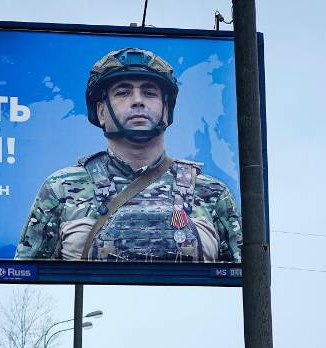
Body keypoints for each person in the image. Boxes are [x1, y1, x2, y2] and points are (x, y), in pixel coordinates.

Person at [15, 47, 241, 263]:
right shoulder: (60, 188)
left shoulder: (213, 193)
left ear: (166, 109)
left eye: (149, 92)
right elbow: (27, 282)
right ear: (101, 112)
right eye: (123, 92)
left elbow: (243, 286)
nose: (137, 100)